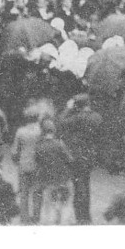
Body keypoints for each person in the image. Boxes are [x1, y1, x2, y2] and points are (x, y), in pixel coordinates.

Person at [58, 94, 104, 224]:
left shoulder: (76, 117)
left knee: (79, 186)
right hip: (90, 155)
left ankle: (81, 217)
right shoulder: (96, 117)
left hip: (77, 155)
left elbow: (61, 122)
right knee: (85, 184)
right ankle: (86, 216)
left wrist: (68, 109)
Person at [34, 118, 74, 225]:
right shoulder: (60, 144)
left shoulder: (39, 146)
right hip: (62, 178)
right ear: (53, 130)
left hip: (46, 179)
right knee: (63, 203)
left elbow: (37, 161)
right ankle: (61, 221)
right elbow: (69, 159)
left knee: (49, 203)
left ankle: (50, 222)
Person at [11, 109, 45, 223]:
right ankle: (36, 217)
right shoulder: (42, 131)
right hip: (38, 165)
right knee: (37, 193)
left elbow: (15, 151)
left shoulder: (20, 131)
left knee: (24, 193)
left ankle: (24, 218)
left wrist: (16, 161)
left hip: (24, 164)